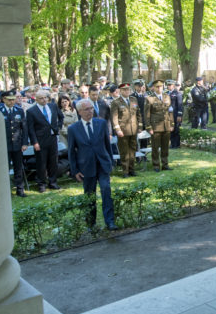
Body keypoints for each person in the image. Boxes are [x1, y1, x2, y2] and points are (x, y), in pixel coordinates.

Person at [68, 99, 117, 231]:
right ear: (79, 112)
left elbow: (108, 145)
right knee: (89, 194)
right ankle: (91, 223)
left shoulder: (101, 124)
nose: (90, 111)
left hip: (102, 163)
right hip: (86, 166)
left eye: (91, 108)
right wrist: (75, 170)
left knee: (106, 190)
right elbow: (71, 151)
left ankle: (110, 221)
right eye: (86, 109)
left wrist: (110, 162)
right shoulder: (73, 129)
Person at [27, 89, 64, 192]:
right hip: (40, 140)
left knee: (53, 162)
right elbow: (30, 128)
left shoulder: (53, 106)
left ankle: (53, 182)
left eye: (45, 98)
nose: (44, 100)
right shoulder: (31, 111)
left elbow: (61, 117)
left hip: (52, 137)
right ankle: (41, 184)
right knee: (41, 163)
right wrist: (34, 142)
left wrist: (58, 127)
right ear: (36, 99)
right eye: (41, 98)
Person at [0, 90, 28, 197]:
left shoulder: (19, 111)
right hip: (4, 145)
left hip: (17, 144)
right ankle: (5, 190)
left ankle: (20, 189)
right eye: (9, 100)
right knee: (5, 168)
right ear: (4, 99)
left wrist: (25, 143)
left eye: (13, 99)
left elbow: (24, 128)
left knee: (18, 167)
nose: (12, 102)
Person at [111, 83, 142, 177]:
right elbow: (114, 117)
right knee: (124, 152)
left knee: (132, 151)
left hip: (133, 129)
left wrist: (140, 126)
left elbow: (138, 114)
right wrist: (117, 129)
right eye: (124, 90)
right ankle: (125, 171)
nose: (126, 91)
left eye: (128, 89)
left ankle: (132, 170)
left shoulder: (134, 100)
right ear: (120, 91)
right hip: (123, 131)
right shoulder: (116, 102)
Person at [144, 79, 174, 172]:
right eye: (157, 87)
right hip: (156, 126)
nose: (159, 88)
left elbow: (170, 111)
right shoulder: (149, 98)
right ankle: (156, 165)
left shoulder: (167, 97)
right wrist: (149, 127)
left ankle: (165, 164)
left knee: (165, 147)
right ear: (153, 87)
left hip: (166, 125)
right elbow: (147, 114)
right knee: (155, 147)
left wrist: (172, 124)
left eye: (161, 86)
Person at [167, 80, 183, 148]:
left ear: (173, 85)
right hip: (169, 115)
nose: (169, 86)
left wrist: (179, 115)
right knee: (171, 129)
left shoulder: (177, 93)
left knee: (176, 129)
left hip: (175, 114)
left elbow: (180, 105)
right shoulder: (167, 93)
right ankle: (172, 143)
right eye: (168, 85)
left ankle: (176, 144)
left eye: (170, 85)